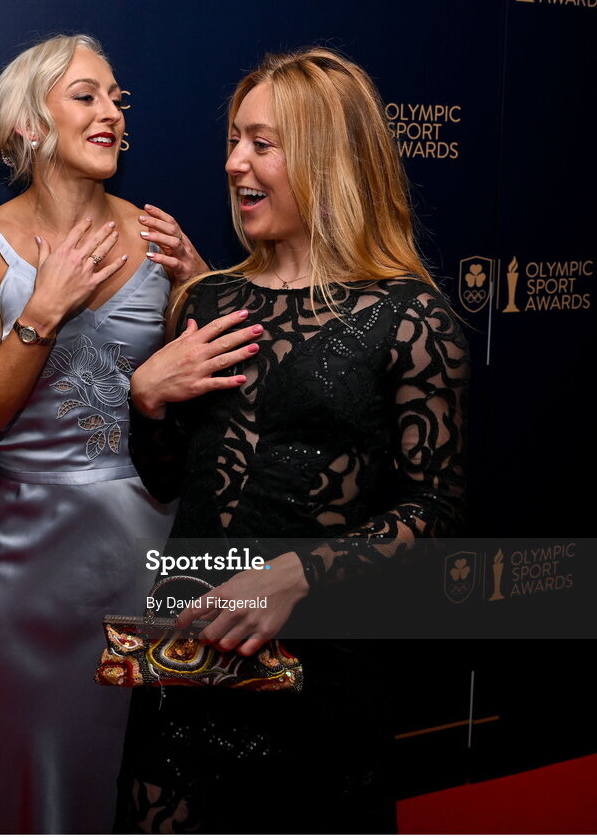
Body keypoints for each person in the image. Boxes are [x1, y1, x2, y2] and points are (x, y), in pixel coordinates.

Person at [116, 47, 470, 833]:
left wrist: (299, 575)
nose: (233, 162)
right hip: (188, 648)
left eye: (261, 144)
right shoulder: (207, 299)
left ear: (325, 157)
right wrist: (145, 400)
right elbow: (167, 481)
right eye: (233, 141)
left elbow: (436, 507)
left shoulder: (409, 318)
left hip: (321, 666)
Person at [0, 34, 205, 834]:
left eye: (116, 97)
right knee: (14, 778)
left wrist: (199, 289)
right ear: (28, 123)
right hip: (30, 573)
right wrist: (41, 312)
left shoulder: (158, 238)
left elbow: (217, 410)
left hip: (153, 556)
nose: (111, 112)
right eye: (86, 96)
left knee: (143, 776)